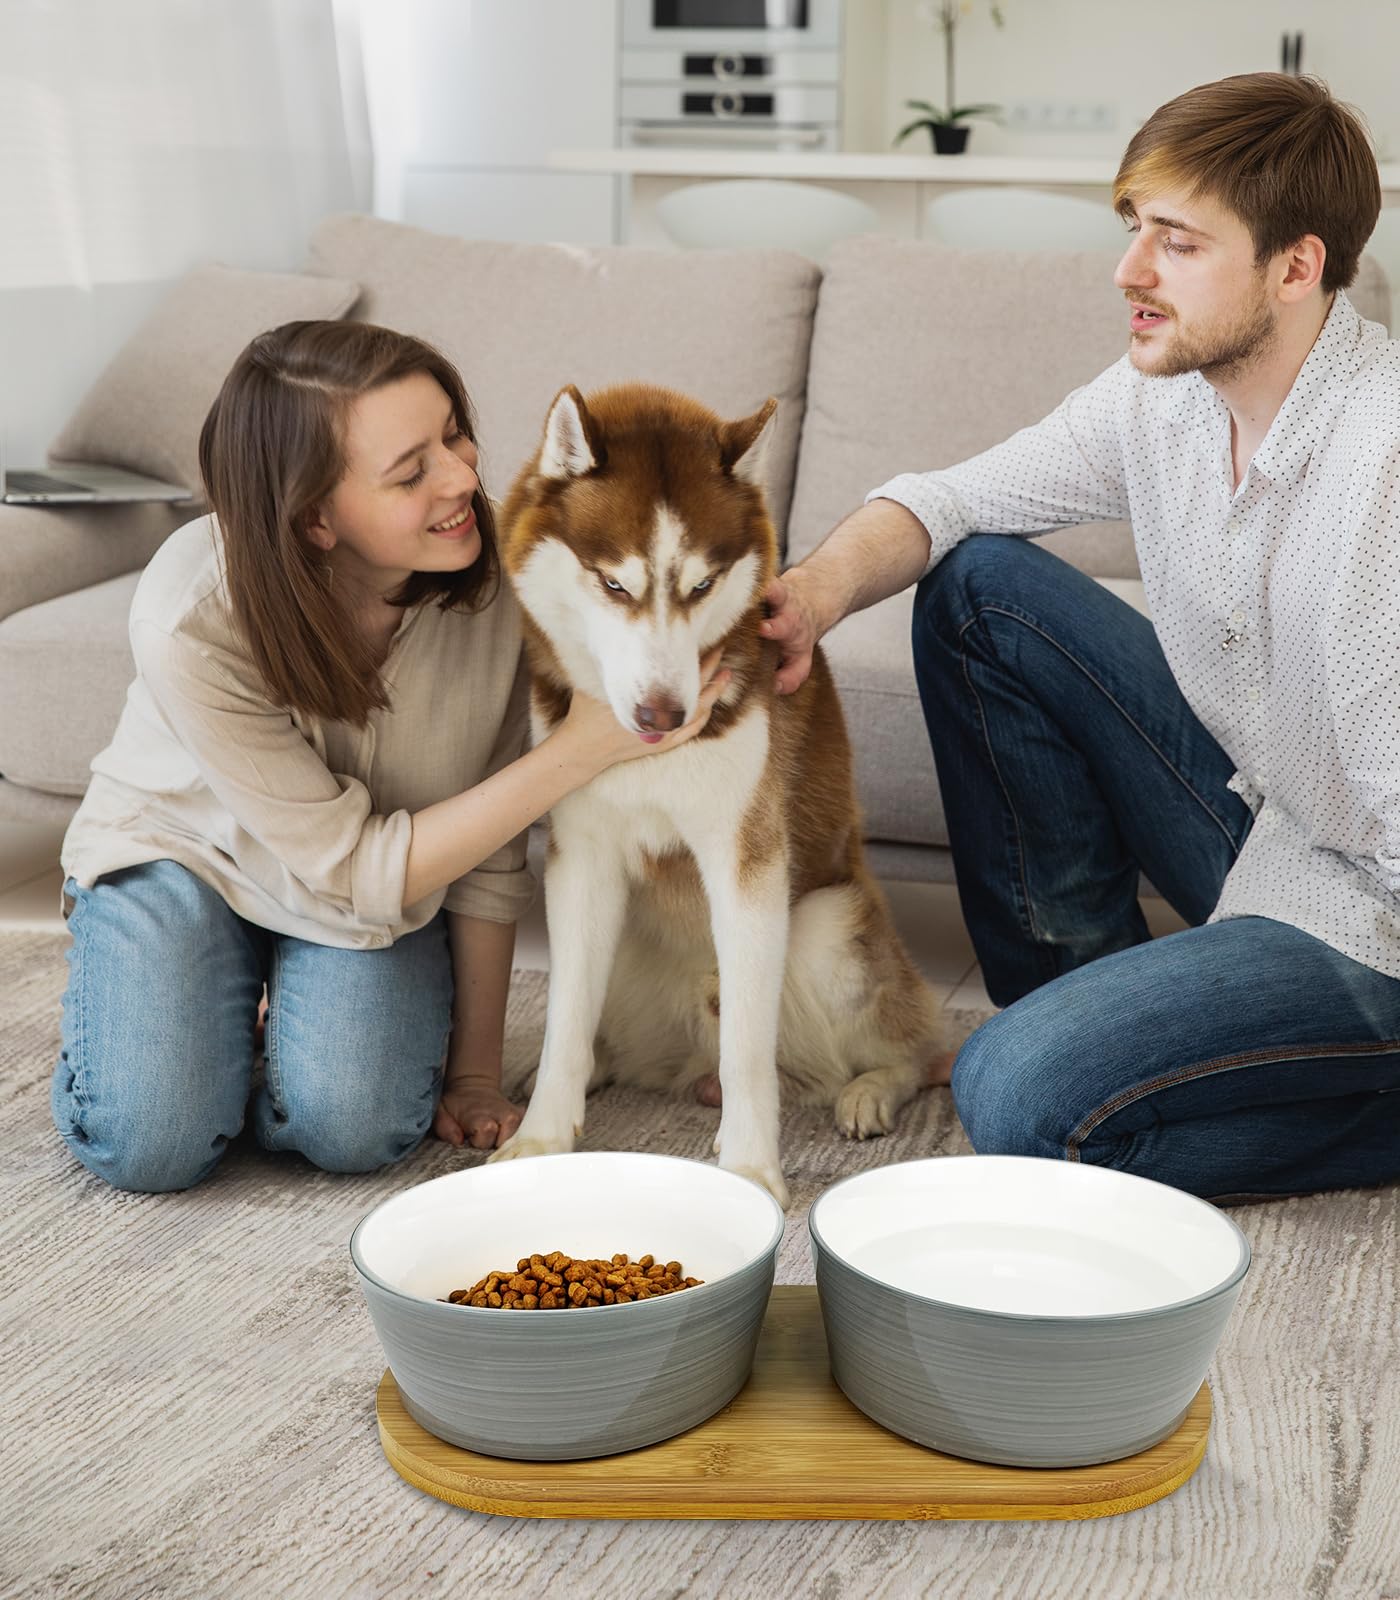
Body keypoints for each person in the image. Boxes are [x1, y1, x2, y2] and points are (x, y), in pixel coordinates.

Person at [760, 72, 1400, 1201]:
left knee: (1015, 1101)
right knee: (978, 588)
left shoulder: (1378, 465)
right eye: (1132, 227)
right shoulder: (1164, 397)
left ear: (1295, 267)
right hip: (1271, 823)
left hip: (1377, 911)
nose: (1128, 271)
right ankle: (1077, 1009)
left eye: (1177, 243)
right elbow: (949, 500)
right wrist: (811, 595)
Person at [53, 320, 727, 1193]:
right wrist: (583, 748)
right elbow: (351, 862)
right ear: (315, 518)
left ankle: (254, 1012)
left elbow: (491, 847)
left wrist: (475, 1073)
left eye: (454, 434)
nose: (464, 477)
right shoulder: (189, 618)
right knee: (152, 1141)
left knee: (357, 1125)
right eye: (412, 473)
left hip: (381, 890)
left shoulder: (508, 578)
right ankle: (184, 994)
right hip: (189, 860)